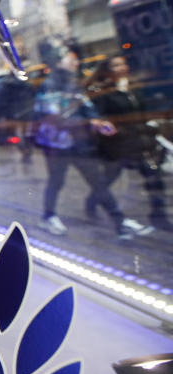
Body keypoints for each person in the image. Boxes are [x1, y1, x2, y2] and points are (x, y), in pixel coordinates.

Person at [34, 45, 153, 240]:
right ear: (57, 62)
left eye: (75, 59)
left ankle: (120, 221)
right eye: (70, 59)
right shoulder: (50, 85)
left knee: (97, 182)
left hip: (77, 142)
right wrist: (90, 122)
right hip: (56, 144)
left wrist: (99, 121)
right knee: (57, 181)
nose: (76, 62)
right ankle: (48, 216)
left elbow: (86, 106)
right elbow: (54, 118)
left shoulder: (72, 84)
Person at [85, 55, 171, 231]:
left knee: (154, 178)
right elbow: (98, 117)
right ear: (108, 71)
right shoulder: (104, 92)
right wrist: (105, 126)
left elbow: (143, 112)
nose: (121, 67)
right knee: (109, 178)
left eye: (123, 64)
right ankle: (92, 201)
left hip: (140, 143)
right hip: (118, 145)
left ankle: (159, 216)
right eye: (115, 65)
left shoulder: (133, 88)